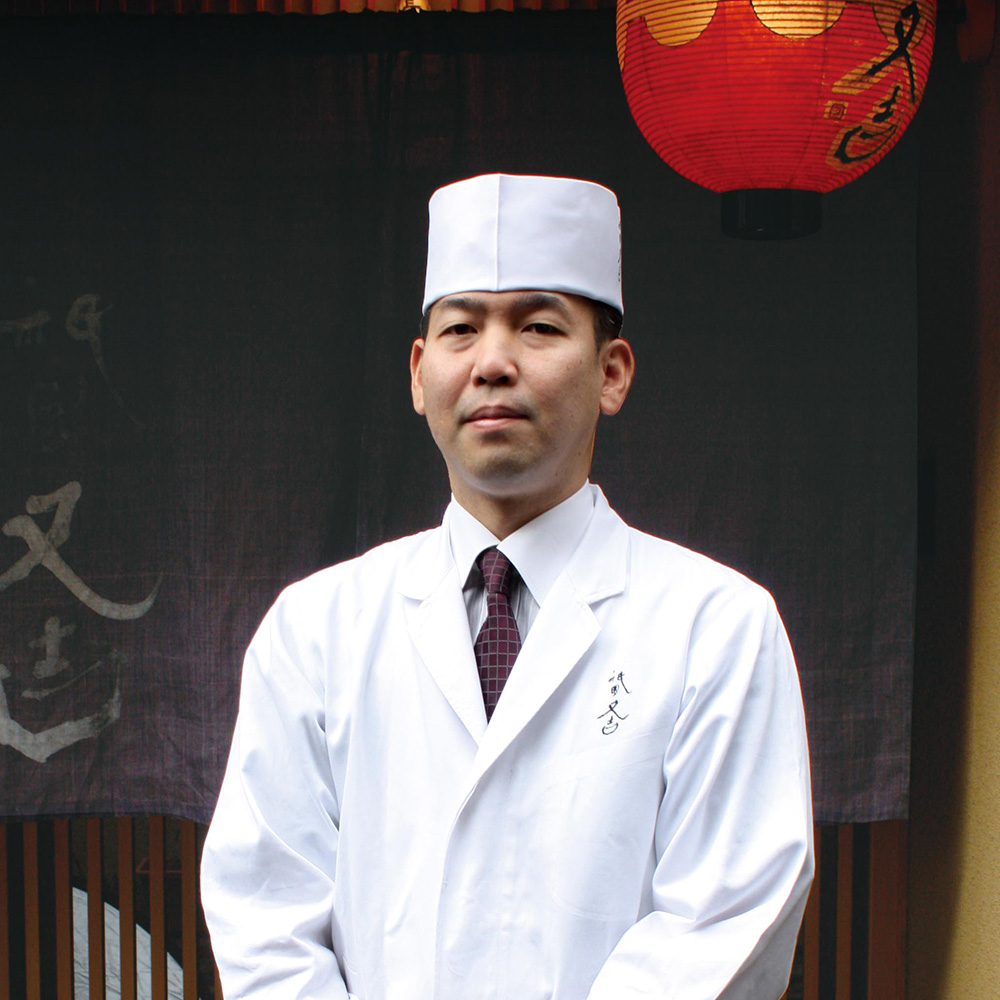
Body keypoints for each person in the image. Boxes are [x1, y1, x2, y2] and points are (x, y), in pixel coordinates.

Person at [201, 173, 814, 1000]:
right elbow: (264, 917)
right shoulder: (313, 629)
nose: (493, 363)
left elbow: (725, 921)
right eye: (460, 328)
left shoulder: (718, 626)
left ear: (612, 372)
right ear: (419, 373)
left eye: (538, 326)